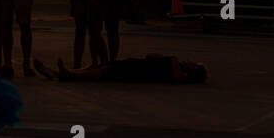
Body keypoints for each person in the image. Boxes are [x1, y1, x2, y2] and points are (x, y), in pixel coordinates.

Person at [33, 55, 207, 84]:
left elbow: (176, 77)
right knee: (101, 66)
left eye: (194, 64)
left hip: (139, 72)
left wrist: (173, 59)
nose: (190, 61)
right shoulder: (177, 65)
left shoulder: (181, 73)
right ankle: (62, 73)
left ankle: (67, 75)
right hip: (138, 65)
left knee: (104, 72)